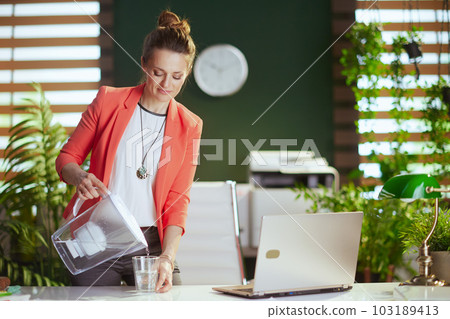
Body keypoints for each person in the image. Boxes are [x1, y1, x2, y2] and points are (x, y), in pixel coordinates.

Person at [55, 10, 202, 293]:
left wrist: (168, 258)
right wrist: (79, 177)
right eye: (158, 73)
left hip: (151, 245)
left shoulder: (190, 125)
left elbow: (177, 199)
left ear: (187, 73)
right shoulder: (109, 101)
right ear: (145, 64)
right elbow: (67, 158)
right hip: (96, 237)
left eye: (176, 76)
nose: (166, 85)